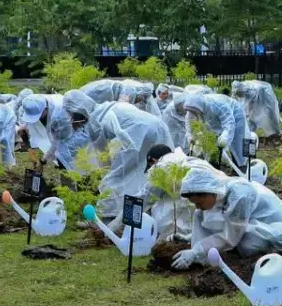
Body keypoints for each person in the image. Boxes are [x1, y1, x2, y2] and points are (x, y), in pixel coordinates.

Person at [173, 168, 282, 269]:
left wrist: (196, 251)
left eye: (199, 202)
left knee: (248, 244)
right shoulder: (217, 193)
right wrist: (192, 238)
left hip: (271, 221)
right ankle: (204, 259)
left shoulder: (239, 197)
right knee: (200, 215)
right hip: (246, 221)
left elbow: (230, 238)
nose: (197, 207)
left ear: (209, 194)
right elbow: (223, 222)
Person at [70, 91, 174, 229]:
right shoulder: (110, 106)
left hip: (139, 135)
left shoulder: (94, 121)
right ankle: (138, 215)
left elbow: (103, 156)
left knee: (113, 179)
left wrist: (104, 177)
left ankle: (103, 220)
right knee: (150, 174)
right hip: (158, 126)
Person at [142, 144, 221, 240]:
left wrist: (120, 223)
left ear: (153, 161)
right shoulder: (187, 160)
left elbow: (145, 198)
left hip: (181, 216)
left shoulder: (160, 168)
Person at [180, 92, 249, 168]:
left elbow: (229, 122)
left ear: (200, 106)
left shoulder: (216, 104)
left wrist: (225, 136)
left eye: (194, 112)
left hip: (235, 114)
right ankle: (215, 167)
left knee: (237, 143)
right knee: (213, 143)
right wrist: (190, 135)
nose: (192, 113)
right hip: (217, 120)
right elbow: (189, 122)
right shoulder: (193, 108)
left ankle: (241, 167)